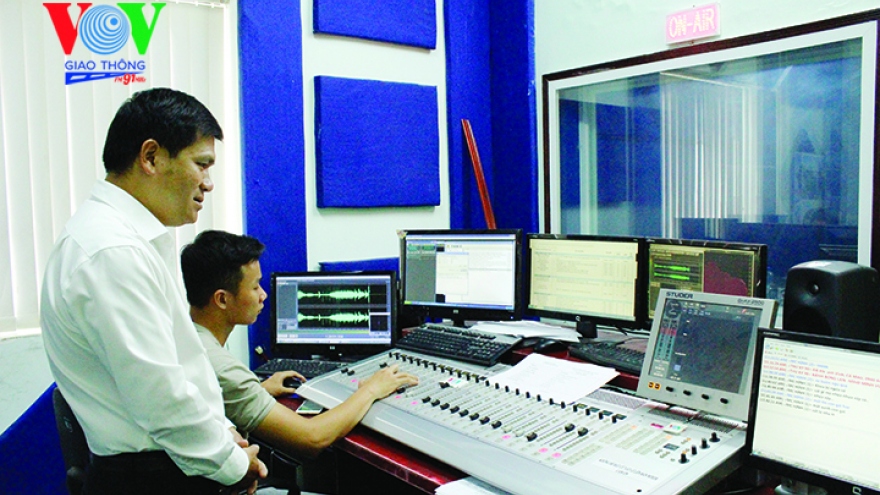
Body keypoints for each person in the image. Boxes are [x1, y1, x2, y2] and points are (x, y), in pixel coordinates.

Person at [40, 88, 266, 495]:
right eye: (201, 164)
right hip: (151, 477)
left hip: (163, 465)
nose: (209, 184)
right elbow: (161, 399)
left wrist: (222, 434)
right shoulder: (112, 252)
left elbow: (180, 369)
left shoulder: (125, 240)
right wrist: (233, 464)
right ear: (151, 157)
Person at [180, 230, 419, 458]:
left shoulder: (185, 341)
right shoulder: (221, 366)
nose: (263, 295)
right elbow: (312, 438)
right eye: (254, 287)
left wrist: (260, 391)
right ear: (222, 299)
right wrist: (372, 390)